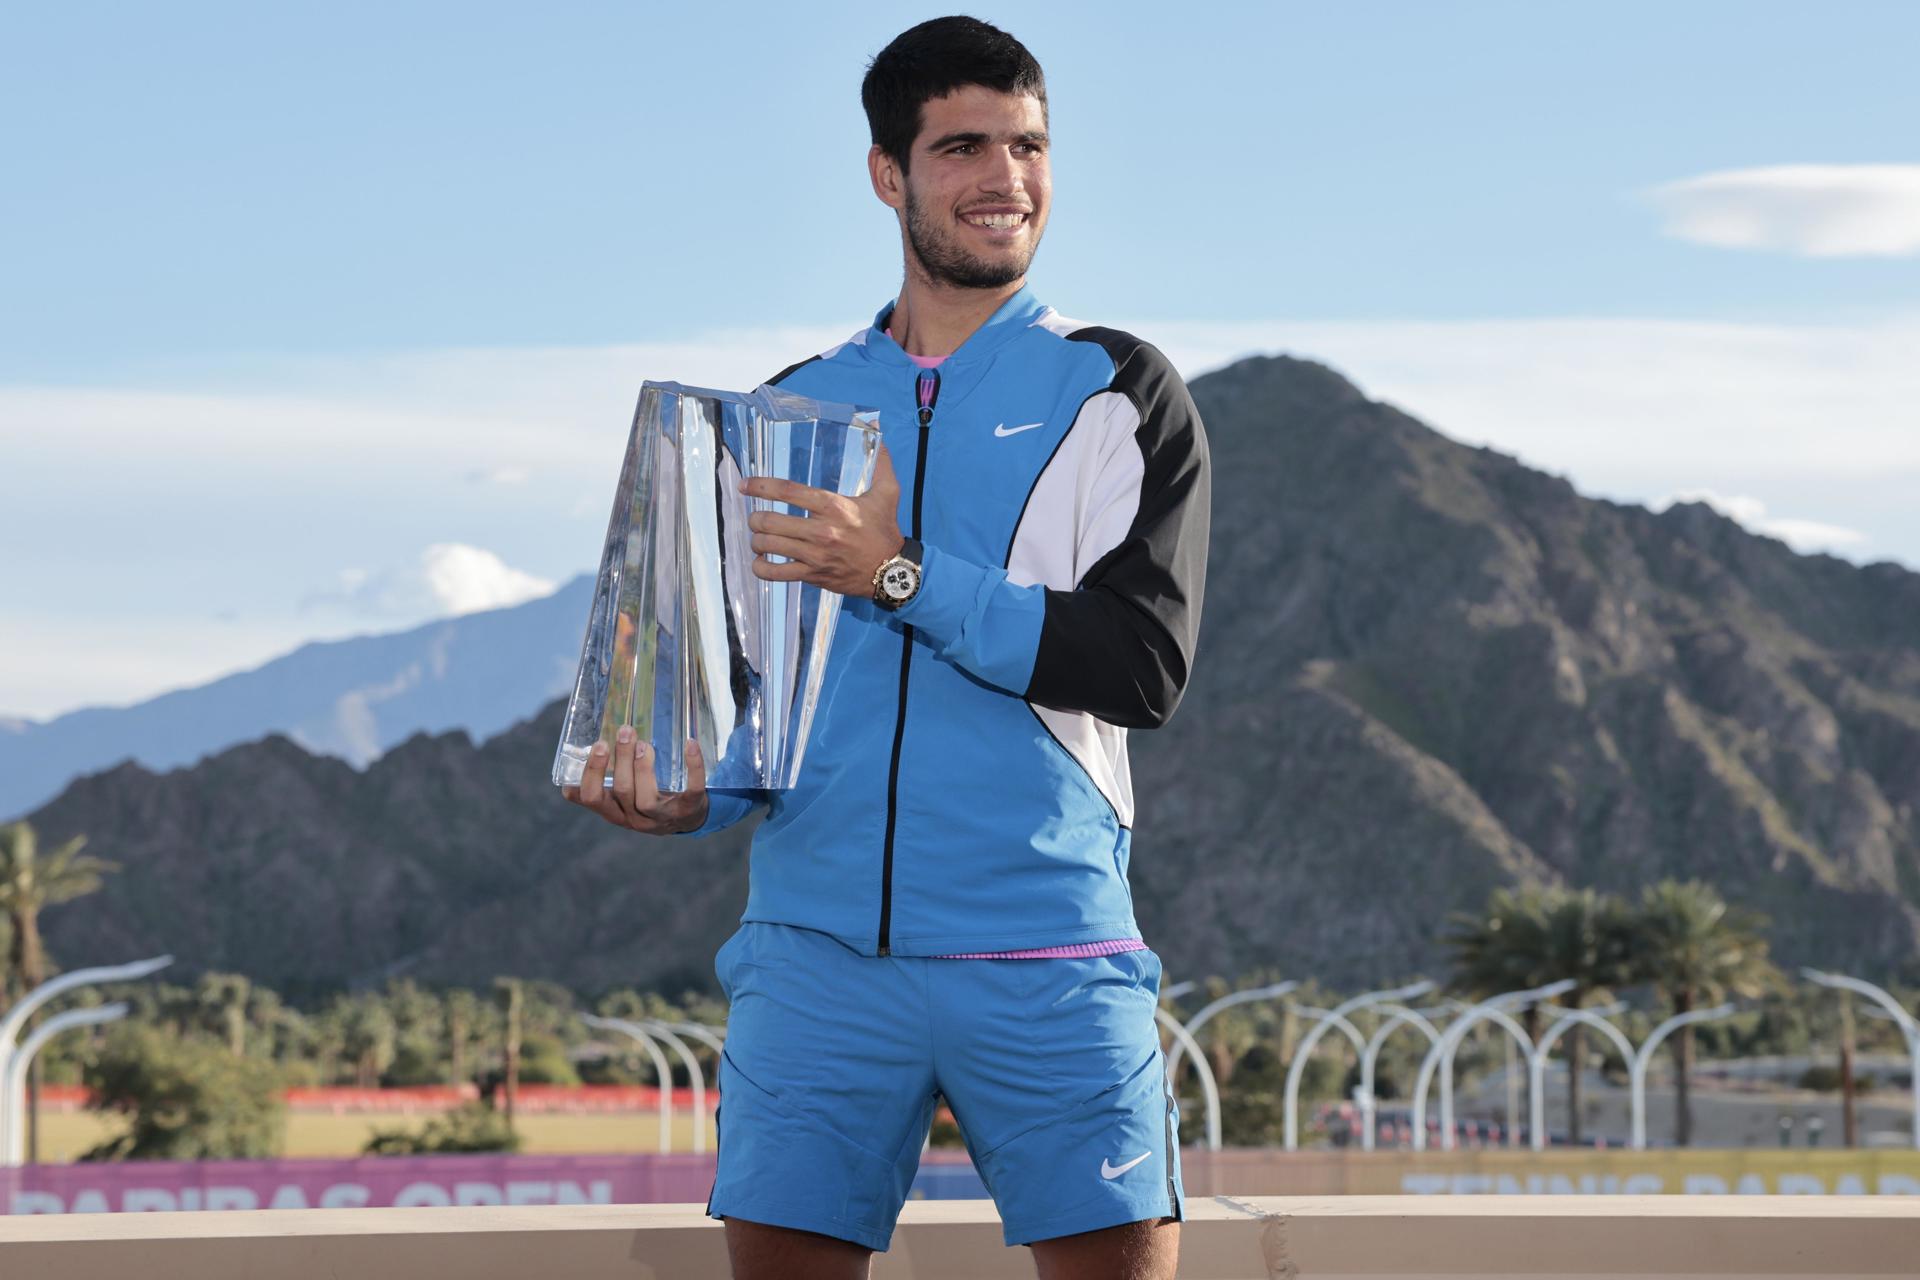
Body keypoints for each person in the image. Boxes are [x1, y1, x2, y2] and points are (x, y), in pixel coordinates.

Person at [564, 16, 1210, 1279]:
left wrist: (899, 572)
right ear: (887, 173)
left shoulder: (1119, 391)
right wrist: (686, 795)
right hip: (813, 961)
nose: (1005, 178)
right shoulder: (788, 408)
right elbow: (753, 696)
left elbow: (1142, 665)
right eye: (962, 146)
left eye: (1027, 145)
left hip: (1045, 948)